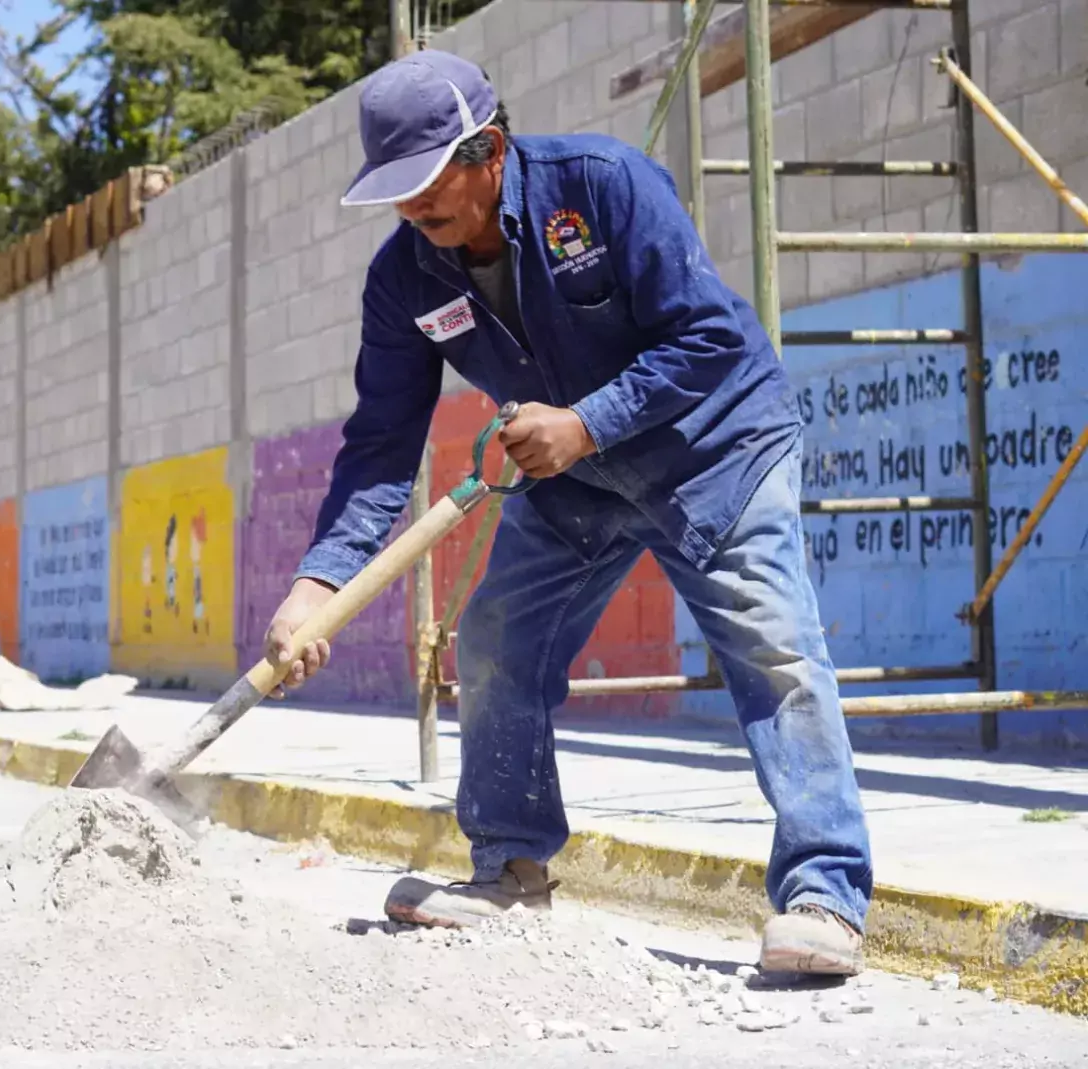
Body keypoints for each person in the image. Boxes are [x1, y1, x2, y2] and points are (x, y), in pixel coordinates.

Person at [263, 51, 872, 976]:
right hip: (573, 482)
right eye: (394, 193)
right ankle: (509, 871)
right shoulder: (405, 282)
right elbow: (383, 440)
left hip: (717, 452)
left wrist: (589, 422)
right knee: (497, 640)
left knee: (774, 651)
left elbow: (708, 335)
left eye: (428, 185)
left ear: (490, 150)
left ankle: (824, 895)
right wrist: (319, 582)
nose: (412, 213)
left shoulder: (603, 186)